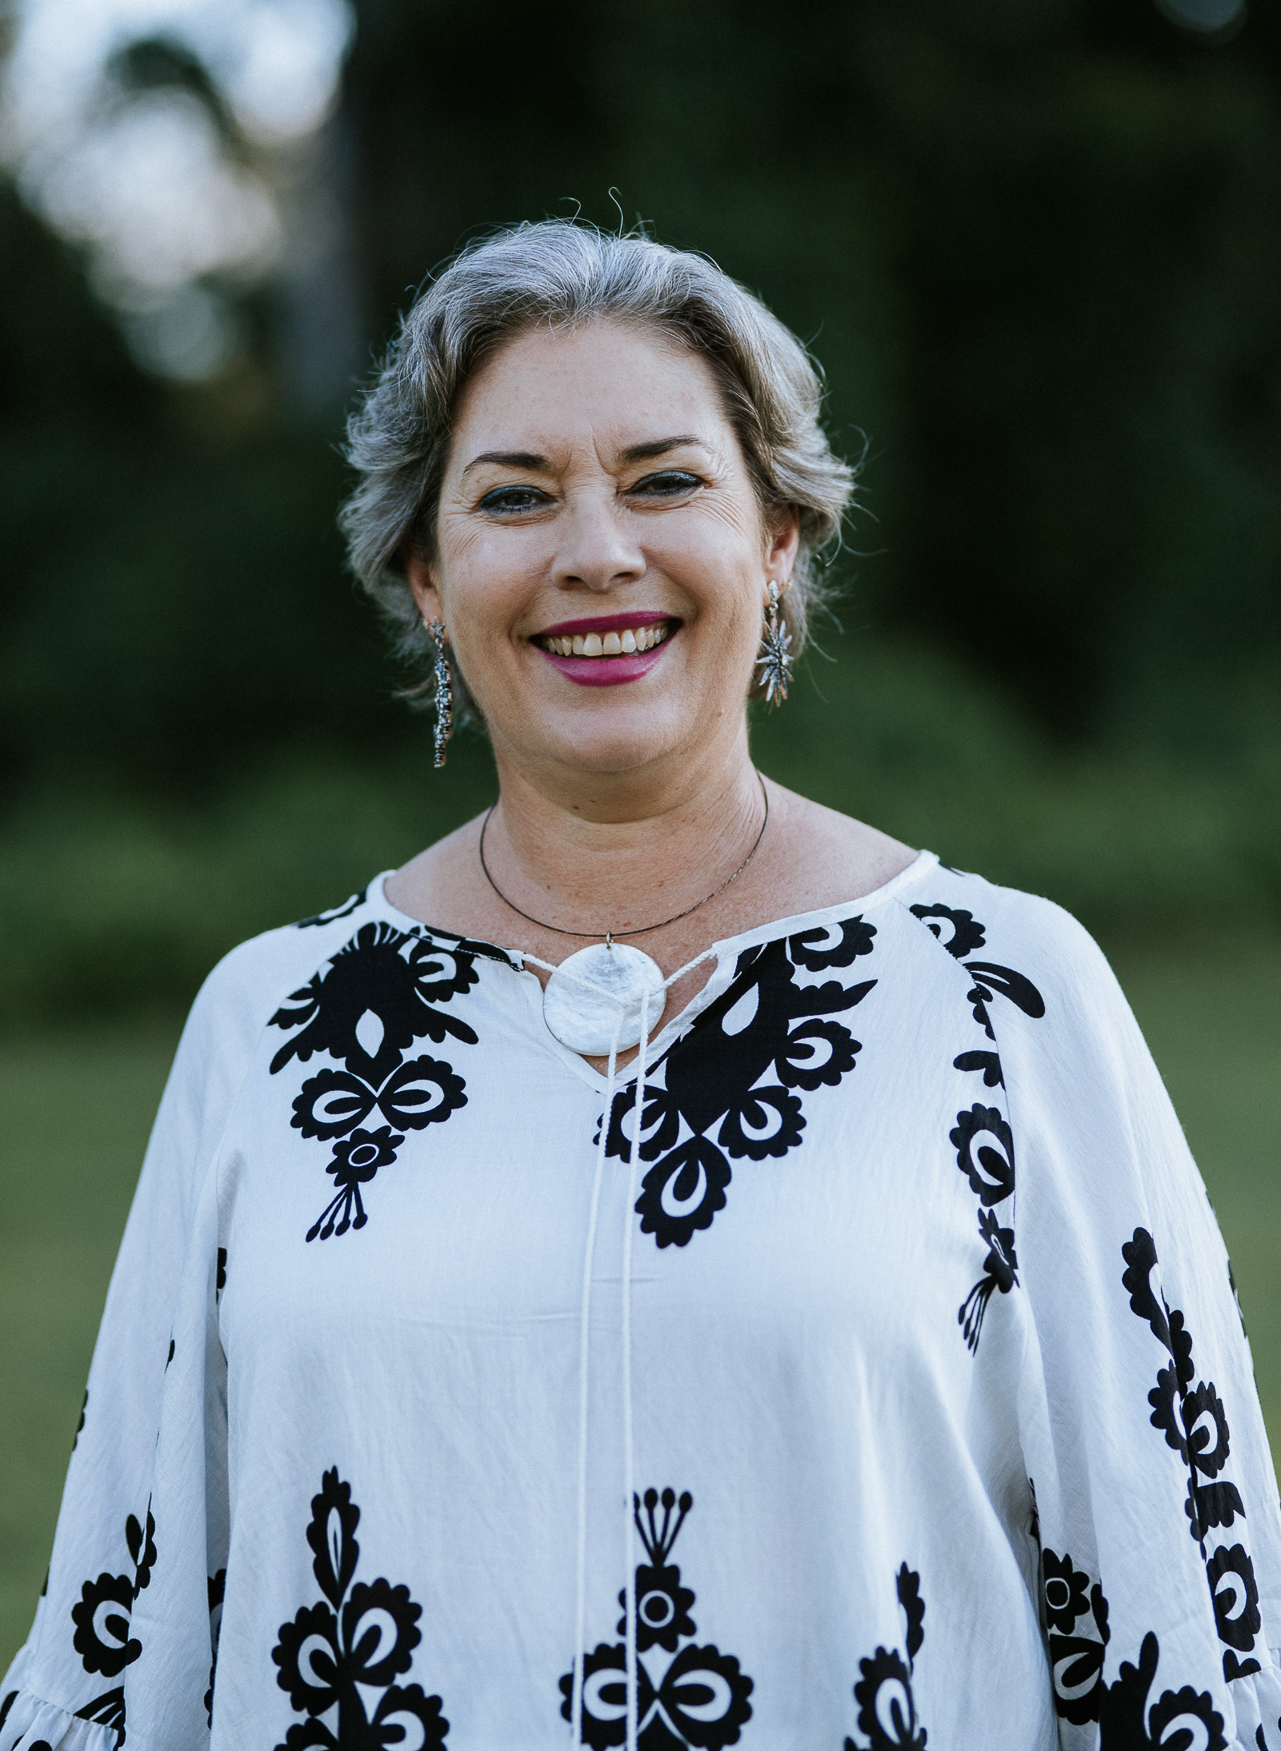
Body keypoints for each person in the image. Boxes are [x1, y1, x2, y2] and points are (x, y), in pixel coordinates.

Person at [3, 221, 1279, 1751]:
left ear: (777, 542)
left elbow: (1184, 1619)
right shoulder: (267, 1028)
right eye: (514, 496)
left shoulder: (1001, 996)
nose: (594, 550)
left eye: (666, 481)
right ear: (424, 572)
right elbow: (126, 1628)